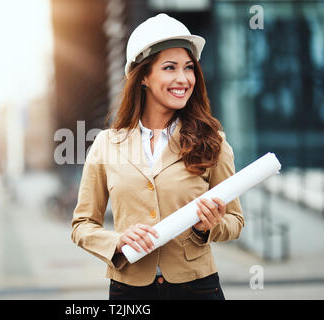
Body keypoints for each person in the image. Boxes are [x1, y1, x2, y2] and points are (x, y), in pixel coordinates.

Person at [71, 13, 244, 300]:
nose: (183, 78)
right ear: (144, 77)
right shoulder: (106, 144)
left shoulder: (213, 141)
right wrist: (117, 241)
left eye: (189, 68)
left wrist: (208, 227)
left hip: (197, 289)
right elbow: (82, 226)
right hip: (129, 291)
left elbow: (235, 221)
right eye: (169, 67)